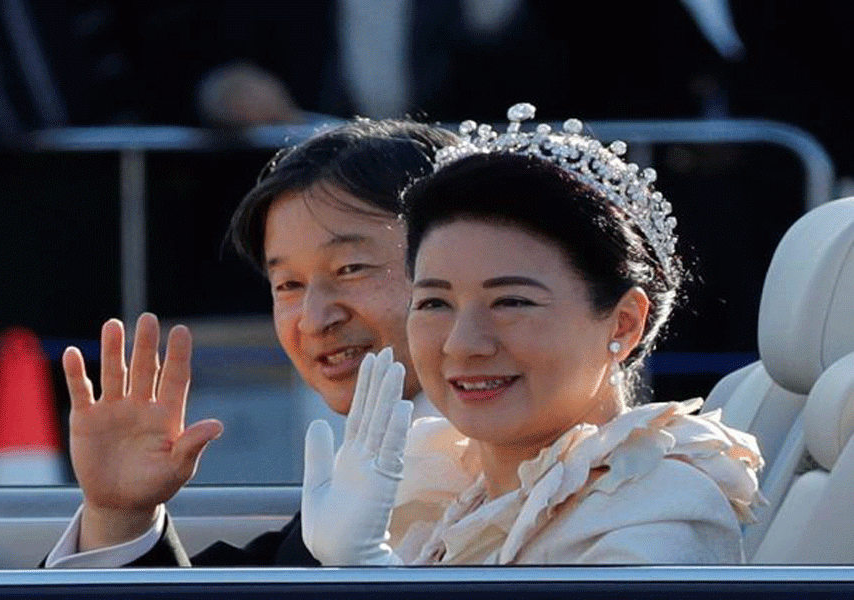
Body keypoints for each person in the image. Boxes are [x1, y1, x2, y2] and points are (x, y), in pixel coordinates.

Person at [300, 104, 765, 565]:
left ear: (624, 322)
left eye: (511, 302)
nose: (462, 344)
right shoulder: (440, 482)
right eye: (434, 303)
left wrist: (368, 574)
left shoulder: (661, 514)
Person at [44, 117, 457, 567]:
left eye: (350, 269)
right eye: (288, 285)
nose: (315, 319)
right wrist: (119, 517)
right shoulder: (358, 484)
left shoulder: (519, 480)